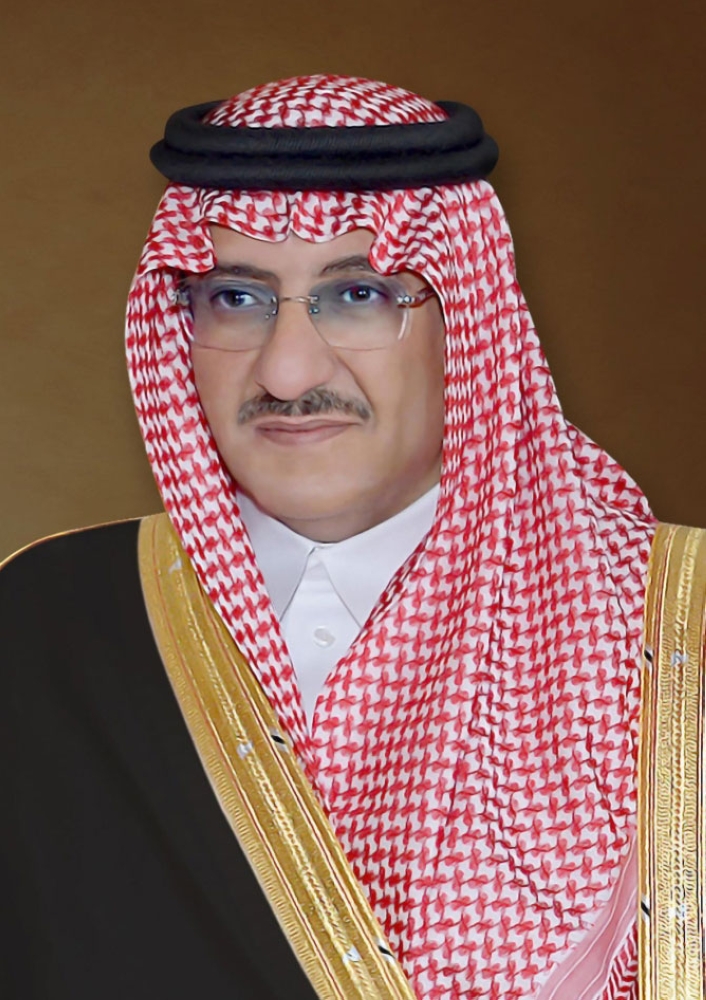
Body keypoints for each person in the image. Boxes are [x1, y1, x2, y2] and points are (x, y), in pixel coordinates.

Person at [1, 74, 701, 1000]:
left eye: (360, 293)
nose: (288, 373)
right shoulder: (48, 622)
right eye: (235, 299)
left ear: (469, 323)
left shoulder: (676, 624)